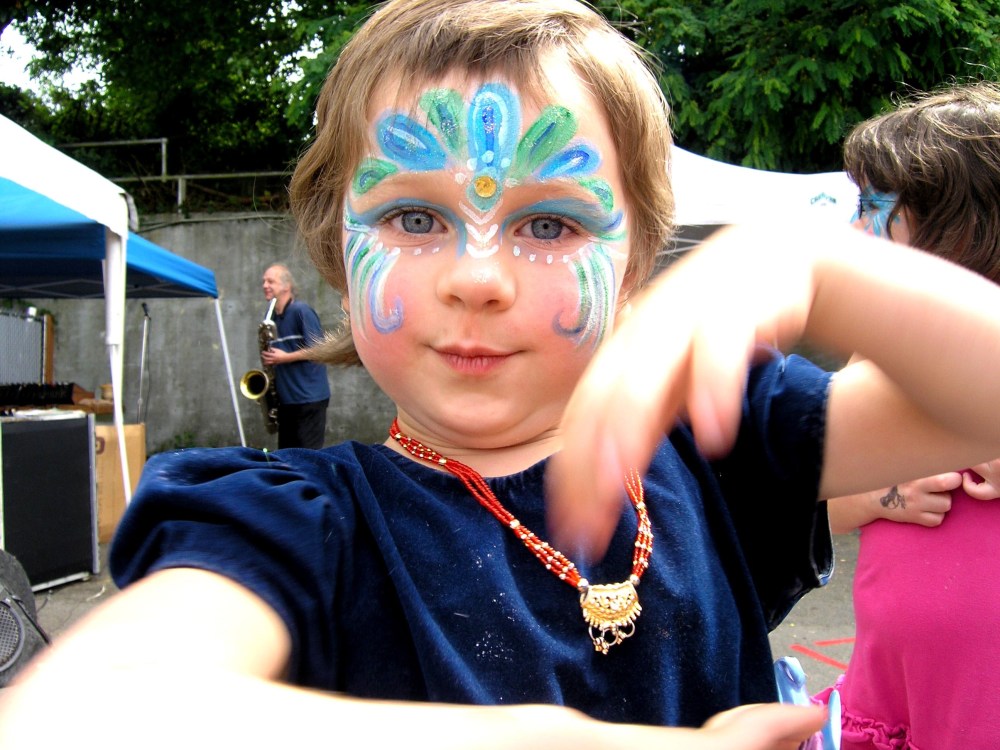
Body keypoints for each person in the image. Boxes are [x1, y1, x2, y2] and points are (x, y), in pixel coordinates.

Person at [3, 2, 1000, 747]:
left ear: (638, 253)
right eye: (414, 217)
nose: (477, 279)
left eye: (549, 224)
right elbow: (75, 717)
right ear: (337, 251)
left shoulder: (718, 432)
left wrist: (819, 275)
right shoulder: (293, 527)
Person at [821, 82, 1000, 749]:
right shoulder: (879, 360)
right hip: (893, 698)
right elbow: (808, 500)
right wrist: (881, 491)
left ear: (959, 227)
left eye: (873, 208)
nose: (852, 230)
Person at [259, 262, 330, 448]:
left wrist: (285, 358)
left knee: (308, 458)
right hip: (287, 401)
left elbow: (320, 350)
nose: (265, 285)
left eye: (270, 281)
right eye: (264, 281)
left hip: (308, 399)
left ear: (286, 286)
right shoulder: (270, 318)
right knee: (286, 459)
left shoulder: (301, 311)